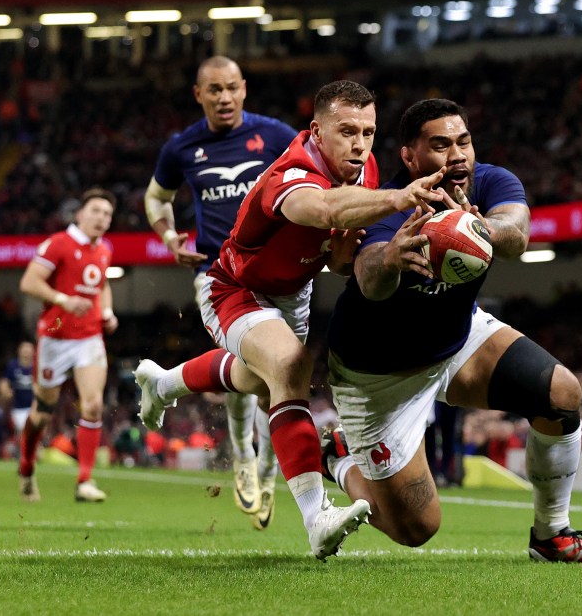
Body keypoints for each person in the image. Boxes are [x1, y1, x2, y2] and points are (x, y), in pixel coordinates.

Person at [133, 80, 443, 560]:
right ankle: (317, 519)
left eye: (368, 132)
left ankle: (164, 384)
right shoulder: (291, 174)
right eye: (346, 131)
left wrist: (343, 258)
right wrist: (399, 198)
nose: (360, 144)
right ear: (317, 132)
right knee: (291, 364)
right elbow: (320, 208)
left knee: (263, 380)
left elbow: (340, 260)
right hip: (235, 289)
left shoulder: (366, 170)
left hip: (294, 294)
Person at [323, 98, 582, 563]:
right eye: (440, 146)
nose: (457, 155)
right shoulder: (387, 204)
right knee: (417, 529)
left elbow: (516, 236)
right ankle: (338, 458)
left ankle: (551, 535)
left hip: (456, 342)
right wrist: (392, 259)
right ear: (409, 156)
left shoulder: (492, 180)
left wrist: (477, 227)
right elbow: (369, 281)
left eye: (463, 141)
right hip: (377, 377)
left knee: (561, 392)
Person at [144, 55, 298, 528]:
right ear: (199, 94)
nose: (224, 98)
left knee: (282, 375)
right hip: (219, 275)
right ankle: (244, 453)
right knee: (257, 367)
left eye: (232, 88)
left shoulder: (274, 135)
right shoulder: (181, 147)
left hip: (280, 274)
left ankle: (267, 471)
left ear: (244, 88)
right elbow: (156, 196)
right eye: (214, 90)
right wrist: (169, 238)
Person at [17, 187, 119, 503]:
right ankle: (27, 466)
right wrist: (63, 299)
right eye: (96, 211)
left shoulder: (104, 249)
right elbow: (29, 282)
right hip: (56, 337)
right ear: (80, 214)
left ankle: (85, 481)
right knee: (42, 413)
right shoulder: (58, 244)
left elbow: (101, 284)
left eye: (107, 214)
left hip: (89, 337)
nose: (101, 218)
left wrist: (106, 311)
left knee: (92, 404)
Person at [0, 340, 35, 438]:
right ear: (19, 351)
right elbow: (4, 382)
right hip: (18, 407)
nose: (26, 351)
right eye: (24, 349)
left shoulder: (37, 366)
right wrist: (6, 391)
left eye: (29, 349)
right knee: (23, 432)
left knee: (33, 431)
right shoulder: (13, 366)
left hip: (34, 407)